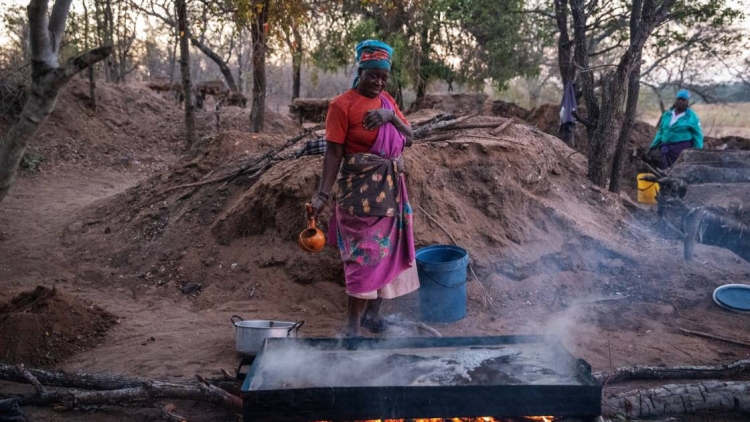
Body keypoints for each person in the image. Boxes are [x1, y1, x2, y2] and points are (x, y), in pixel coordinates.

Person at [310, 40, 419, 337]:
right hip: (358, 193)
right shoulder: (341, 106)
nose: (379, 83)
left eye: (384, 78)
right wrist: (322, 194)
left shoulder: (387, 102)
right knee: (362, 258)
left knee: (387, 254)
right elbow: (333, 153)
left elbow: (410, 138)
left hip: (391, 190)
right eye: (373, 76)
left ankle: (372, 317)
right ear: (361, 71)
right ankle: (353, 327)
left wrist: (391, 116)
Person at [649, 89, 704, 169]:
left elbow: (698, 135)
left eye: (683, 100)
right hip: (666, 150)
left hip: (681, 151)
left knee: (678, 171)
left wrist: (697, 152)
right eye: (679, 99)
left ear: (687, 102)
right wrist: (653, 146)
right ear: (676, 100)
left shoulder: (692, 117)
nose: (680, 102)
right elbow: (661, 132)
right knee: (664, 171)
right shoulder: (667, 114)